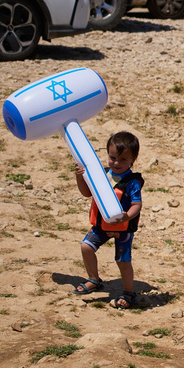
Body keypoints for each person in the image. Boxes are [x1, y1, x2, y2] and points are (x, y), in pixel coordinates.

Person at [73, 131, 143, 310]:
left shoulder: (132, 182)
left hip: (123, 230)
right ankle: (94, 279)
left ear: (133, 160)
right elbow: (86, 193)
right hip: (101, 226)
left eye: (123, 160)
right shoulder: (101, 175)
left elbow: (137, 204)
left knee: (123, 261)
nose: (116, 163)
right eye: (113, 158)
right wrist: (80, 177)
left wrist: (127, 216)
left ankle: (128, 292)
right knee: (86, 247)